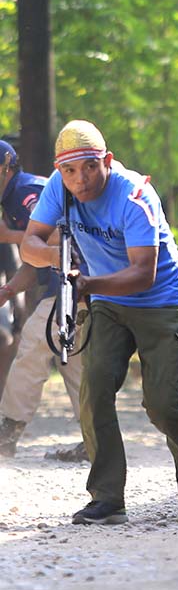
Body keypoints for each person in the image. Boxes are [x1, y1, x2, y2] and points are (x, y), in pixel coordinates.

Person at [21, 120, 178, 525]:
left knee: (164, 405)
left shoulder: (135, 195)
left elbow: (144, 273)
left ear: (105, 160)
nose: (80, 179)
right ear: (59, 169)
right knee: (94, 391)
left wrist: (86, 282)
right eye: (69, 170)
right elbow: (29, 243)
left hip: (161, 300)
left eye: (88, 167)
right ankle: (107, 497)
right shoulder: (59, 188)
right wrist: (62, 261)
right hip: (105, 300)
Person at [0, 139, 87, 461]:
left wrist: (8, 235)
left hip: (77, 283)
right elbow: (36, 260)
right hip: (69, 285)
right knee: (76, 365)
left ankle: (7, 432)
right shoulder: (12, 199)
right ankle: (96, 439)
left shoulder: (25, 193)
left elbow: (57, 237)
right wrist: (9, 291)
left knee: (33, 344)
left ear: (7, 167)